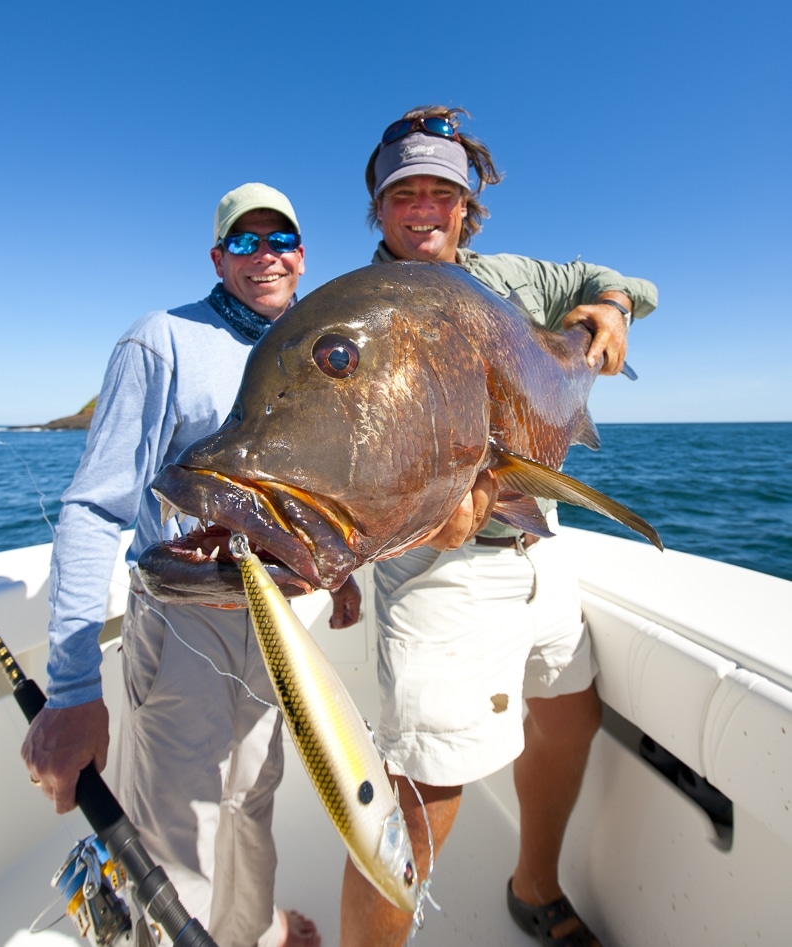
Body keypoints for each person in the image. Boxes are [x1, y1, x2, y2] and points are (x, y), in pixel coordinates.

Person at [339, 108, 658, 947]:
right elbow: (353, 460)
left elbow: (621, 278)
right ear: (378, 207)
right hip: (440, 574)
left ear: (466, 206)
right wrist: (410, 517)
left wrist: (611, 309)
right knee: (421, 800)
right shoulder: (362, 317)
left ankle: (533, 885)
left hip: (539, 546)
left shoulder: (518, 277)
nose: (421, 208)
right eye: (402, 192)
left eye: (440, 192)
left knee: (568, 708)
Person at [21, 182, 361, 947]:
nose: (264, 254)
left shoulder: (322, 350)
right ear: (218, 256)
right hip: (183, 625)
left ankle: (254, 930)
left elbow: (315, 491)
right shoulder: (163, 340)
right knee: (182, 827)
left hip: (273, 618)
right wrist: (72, 688)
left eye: (279, 240)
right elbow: (94, 508)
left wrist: (340, 573)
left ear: (302, 256)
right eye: (245, 241)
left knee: (254, 794)